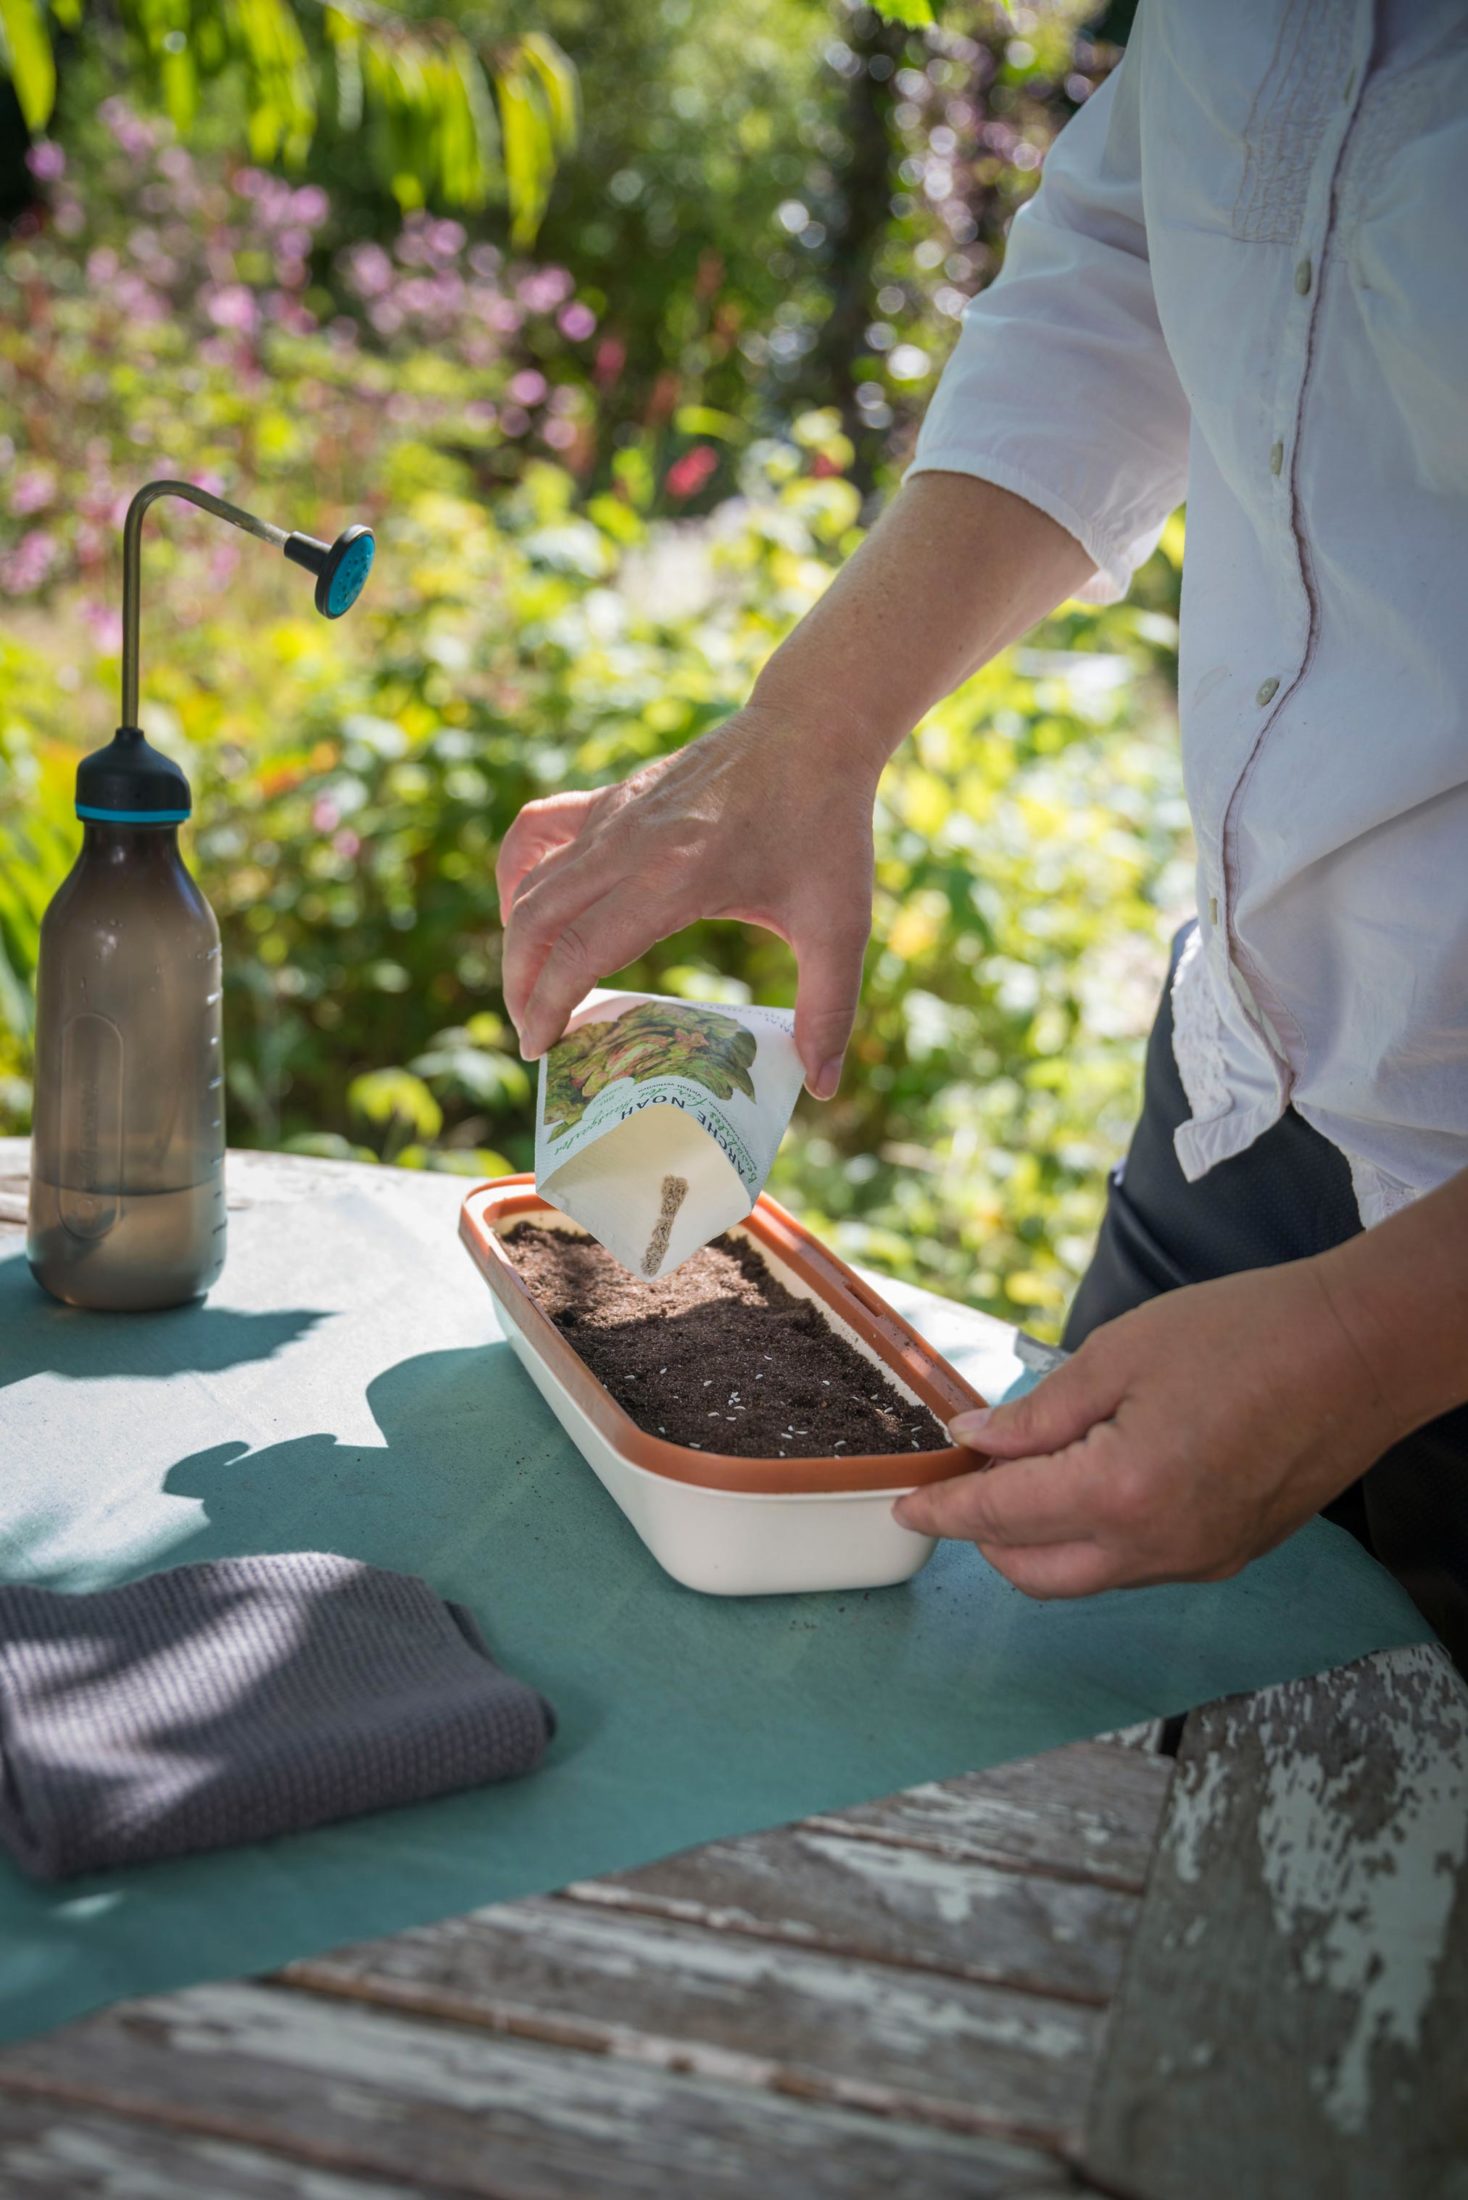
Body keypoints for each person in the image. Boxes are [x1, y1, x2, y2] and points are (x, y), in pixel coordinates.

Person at [496, 0, 1468, 1665]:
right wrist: (812, 721)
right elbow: (1135, 263)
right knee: (1065, 1742)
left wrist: (1379, 1336)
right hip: (1239, 1098)